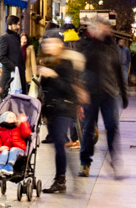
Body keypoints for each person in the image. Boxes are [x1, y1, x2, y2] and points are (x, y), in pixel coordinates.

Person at [77, 16, 128, 178]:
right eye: (102, 27)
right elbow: (83, 63)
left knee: (113, 127)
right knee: (88, 129)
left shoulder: (111, 46)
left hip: (109, 93)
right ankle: (85, 163)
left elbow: (118, 70)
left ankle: (115, 160)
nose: (107, 30)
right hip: (90, 93)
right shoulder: (85, 43)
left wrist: (124, 93)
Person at [34, 29, 83, 195]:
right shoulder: (47, 61)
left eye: (53, 43)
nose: (49, 46)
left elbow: (68, 88)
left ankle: (61, 179)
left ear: (60, 45)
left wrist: (52, 75)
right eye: (46, 43)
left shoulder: (65, 63)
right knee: (58, 145)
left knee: (60, 144)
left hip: (65, 108)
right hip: (52, 109)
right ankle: (61, 179)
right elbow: (46, 89)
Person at [0, 106, 32, 174]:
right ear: (3, 119)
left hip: (19, 149)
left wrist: (23, 122)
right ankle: (1, 166)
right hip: (7, 148)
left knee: (13, 150)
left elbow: (26, 134)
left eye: (14, 117)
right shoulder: (0, 131)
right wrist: (0, 147)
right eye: (10, 117)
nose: (13, 118)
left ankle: (9, 166)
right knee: (4, 152)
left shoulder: (18, 127)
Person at [0, 23, 26, 96]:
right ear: (10, 25)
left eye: (19, 24)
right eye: (16, 24)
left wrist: (21, 68)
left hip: (19, 76)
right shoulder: (4, 37)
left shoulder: (16, 37)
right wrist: (14, 67)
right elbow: (1, 57)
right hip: (9, 77)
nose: (18, 27)